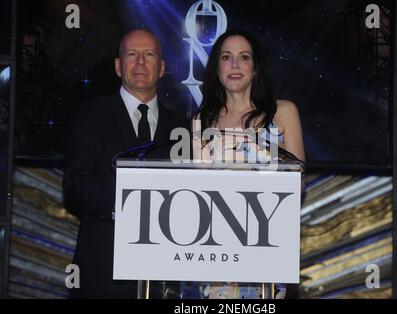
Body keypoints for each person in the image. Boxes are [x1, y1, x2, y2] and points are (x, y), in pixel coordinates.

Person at [63, 28, 187, 298]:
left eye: (149, 54)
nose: (140, 62)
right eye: (132, 54)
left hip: (164, 275)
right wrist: (126, 205)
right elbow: (74, 186)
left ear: (162, 67)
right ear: (119, 67)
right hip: (103, 272)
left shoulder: (183, 129)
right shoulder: (90, 115)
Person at [189, 30, 305, 299]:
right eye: (226, 57)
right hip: (216, 249)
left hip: (267, 243)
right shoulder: (201, 121)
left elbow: (298, 182)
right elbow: (197, 190)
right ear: (216, 69)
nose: (234, 65)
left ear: (255, 69)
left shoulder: (283, 112)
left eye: (244, 58)